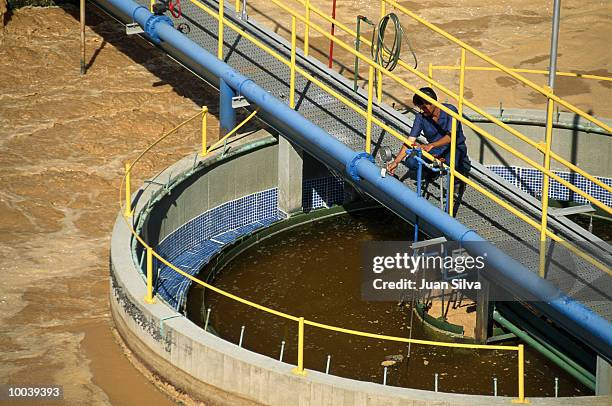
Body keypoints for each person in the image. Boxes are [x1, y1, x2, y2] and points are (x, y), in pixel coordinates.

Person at [386, 87, 471, 214]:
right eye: (419, 106)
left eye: (423, 105)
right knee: (411, 162)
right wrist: (396, 162)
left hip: (453, 147)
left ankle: (458, 180)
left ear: (432, 102)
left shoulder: (450, 111)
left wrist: (432, 145)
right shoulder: (421, 117)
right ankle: (432, 169)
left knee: (454, 162)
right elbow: (410, 140)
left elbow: (451, 137)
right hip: (435, 150)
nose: (421, 109)